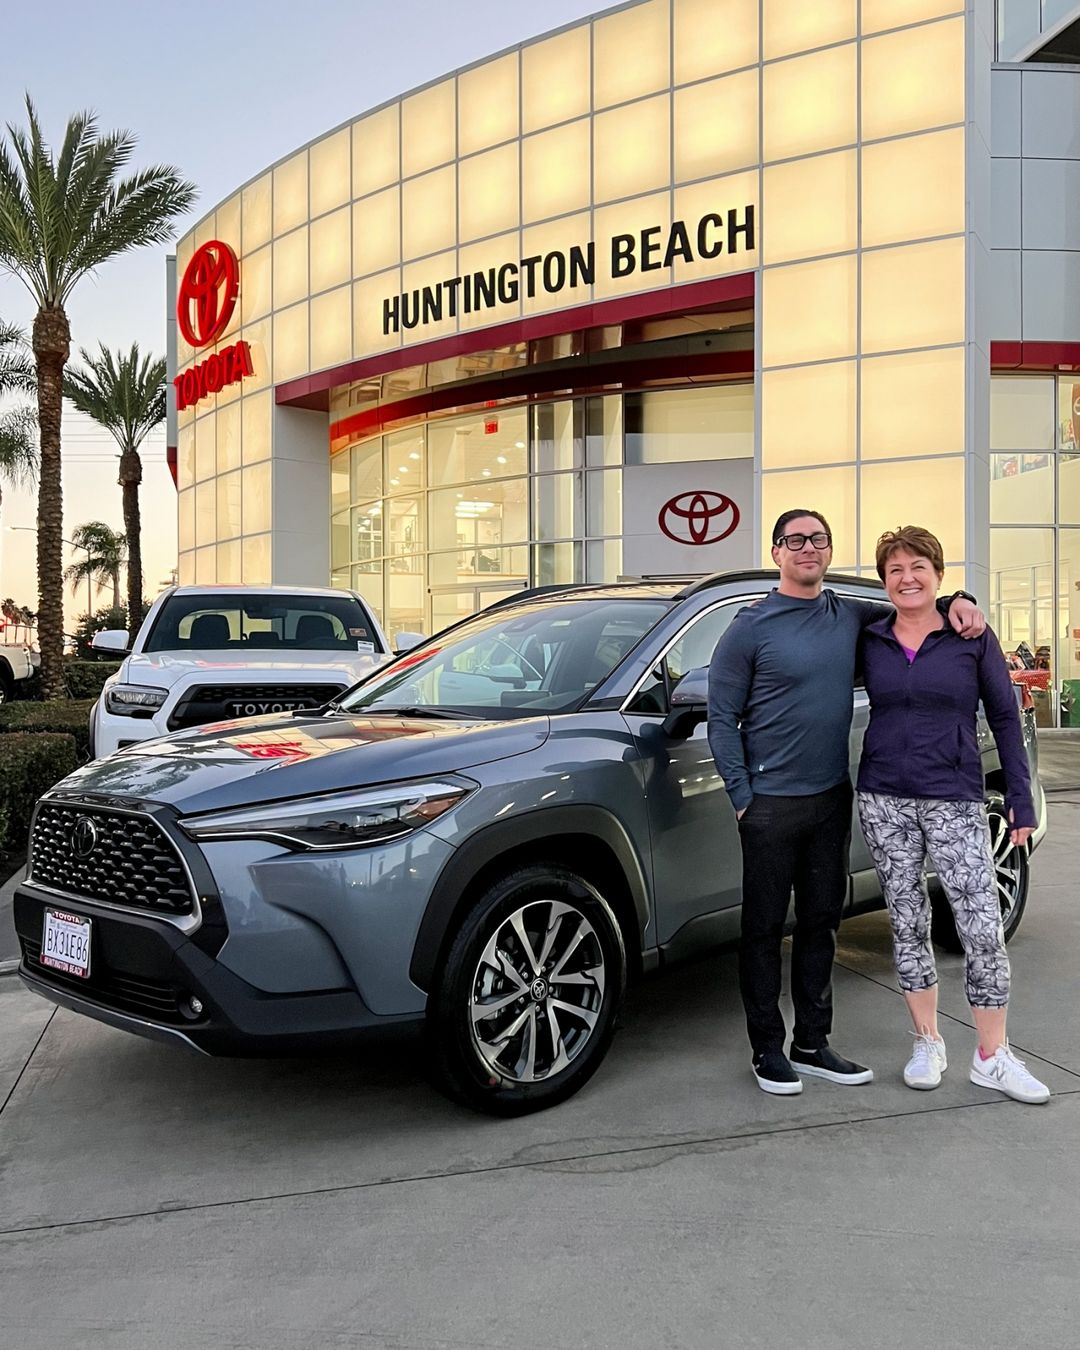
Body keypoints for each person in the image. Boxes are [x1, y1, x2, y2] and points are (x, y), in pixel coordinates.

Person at [708, 511, 984, 1096]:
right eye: (795, 540)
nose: (808, 548)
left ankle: (812, 1043)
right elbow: (721, 717)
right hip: (768, 804)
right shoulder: (749, 626)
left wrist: (961, 598)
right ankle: (767, 1049)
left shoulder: (849, 615)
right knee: (762, 930)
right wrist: (741, 796)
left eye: (819, 539)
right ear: (777, 552)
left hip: (830, 798)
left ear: (829, 550)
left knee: (821, 924)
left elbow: (913, 603)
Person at [856, 526, 1048, 1104]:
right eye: (895, 570)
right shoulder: (871, 637)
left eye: (919, 567)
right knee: (907, 921)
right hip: (884, 798)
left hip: (954, 796)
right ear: (884, 582)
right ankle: (927, 1041)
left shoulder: (970, 635)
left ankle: (992, 1055)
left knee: (981, 926)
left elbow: (1005, 715)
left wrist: (1019, 797)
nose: (907, 578)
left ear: (938, 574)